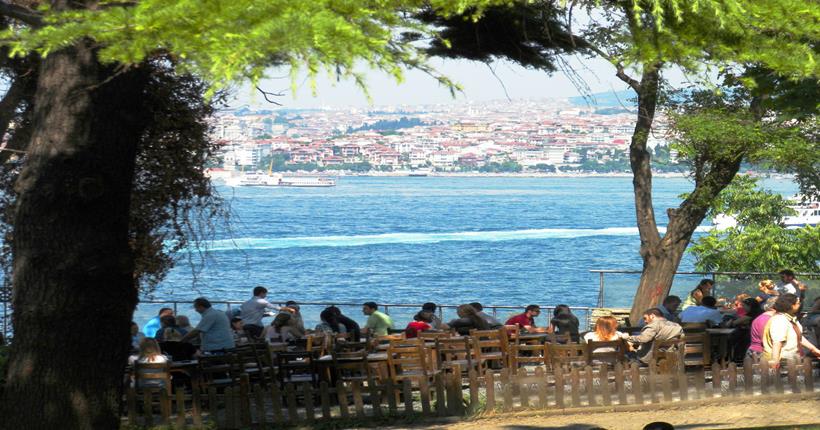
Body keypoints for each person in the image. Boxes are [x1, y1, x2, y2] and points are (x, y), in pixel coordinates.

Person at [762, 294, 820, 366]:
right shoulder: (779, 320)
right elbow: (777, 342)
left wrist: (814, 350)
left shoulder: (792, 318)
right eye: (798, 303)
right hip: (784, 361)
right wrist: (775, 361)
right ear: (791, 305)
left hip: (794, 359)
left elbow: (799, 337)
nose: (800, 305)